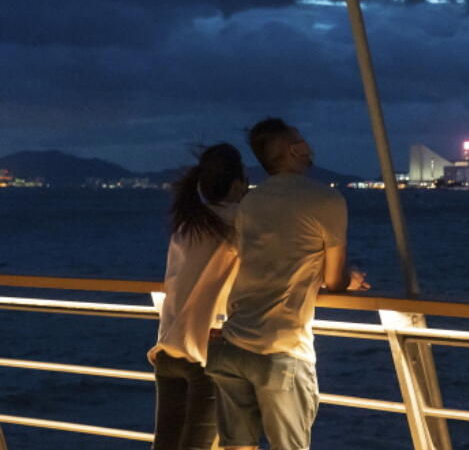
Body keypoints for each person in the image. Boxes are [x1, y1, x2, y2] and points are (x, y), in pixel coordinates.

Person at [206, 118, 367, 450]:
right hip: (280, 349)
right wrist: (352, 279)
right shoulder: (326, 201)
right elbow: (333, 280)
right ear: (295, 149)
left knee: (236, 446)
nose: (308, 146)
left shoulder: (249, 202)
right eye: (302, 140)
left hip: (231, 344)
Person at [149, 142, 248, 450]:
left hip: (167, 350)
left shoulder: (188, 223)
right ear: (237, 185)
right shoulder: (238, 222)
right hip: (203, 355)